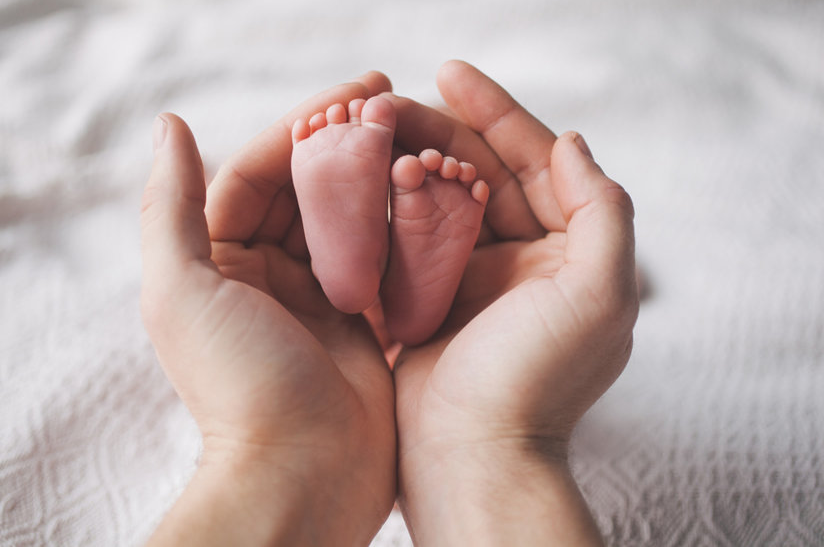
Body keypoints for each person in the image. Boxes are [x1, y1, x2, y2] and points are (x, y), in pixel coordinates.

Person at [140, 60, 638, 546]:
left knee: (371, 280)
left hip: (319, 336)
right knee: (456, 245)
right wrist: (489, 443)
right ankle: (409, 299)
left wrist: (279, 448)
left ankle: (352, 276)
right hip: (464, 333)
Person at [291, 95, 488, 345]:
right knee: (451, 155)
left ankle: (340, 270)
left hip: (331, 333)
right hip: (441, 340)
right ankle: (410, 308)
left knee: (341, 263)